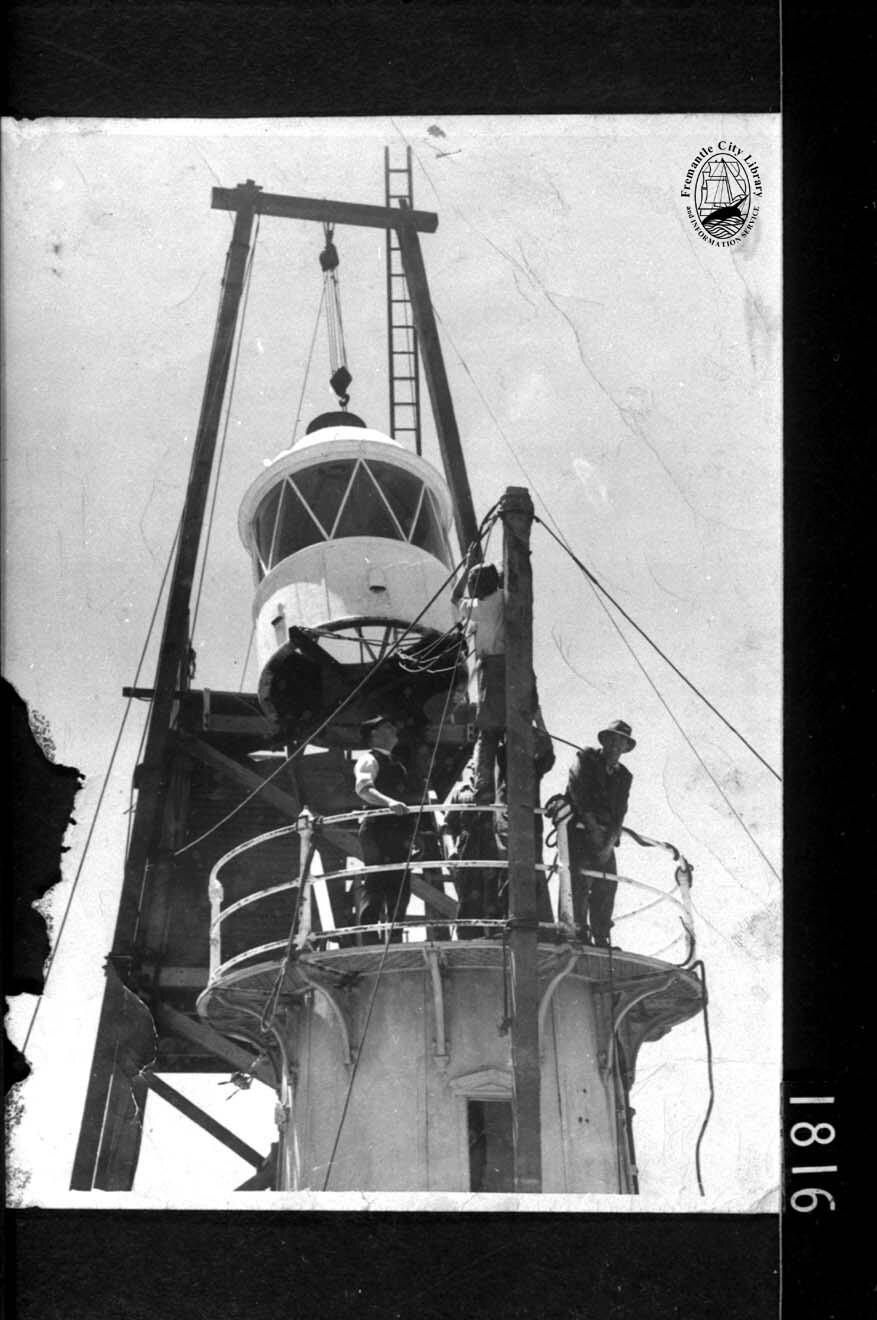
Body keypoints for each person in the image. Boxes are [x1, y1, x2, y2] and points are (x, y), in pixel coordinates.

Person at [565, 719, 636, 947]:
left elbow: (620, 812)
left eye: (621, 742)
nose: (616, 745)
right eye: (612, 739)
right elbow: (578, 792)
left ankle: (602, 936)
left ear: (626, 747)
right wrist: (593, 828)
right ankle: (579, 933)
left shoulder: (624, 776)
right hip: (580, 833)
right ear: (604, 740)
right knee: (579, 881)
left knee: (607, 884)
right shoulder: (586, 758)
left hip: (605, 839)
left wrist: (608, 844)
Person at [353, 715, 413, 944]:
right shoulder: (369, 759)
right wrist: (389, 803)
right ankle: (370, 939)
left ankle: (394, 939)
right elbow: (363, 788)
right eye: (387, 726)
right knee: (376, 882)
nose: (393, 729)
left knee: (400, 885)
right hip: (378, 829)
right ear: (374, 734)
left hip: (397, 831)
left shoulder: (397, 764)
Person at [458, 561, 506, 805]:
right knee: (507, 729)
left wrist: (466, 565)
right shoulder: (505, 596)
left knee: (487, 732)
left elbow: (455, 599)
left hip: (492, 668)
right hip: (514, 668)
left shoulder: (481, 606)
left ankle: (483, 786)